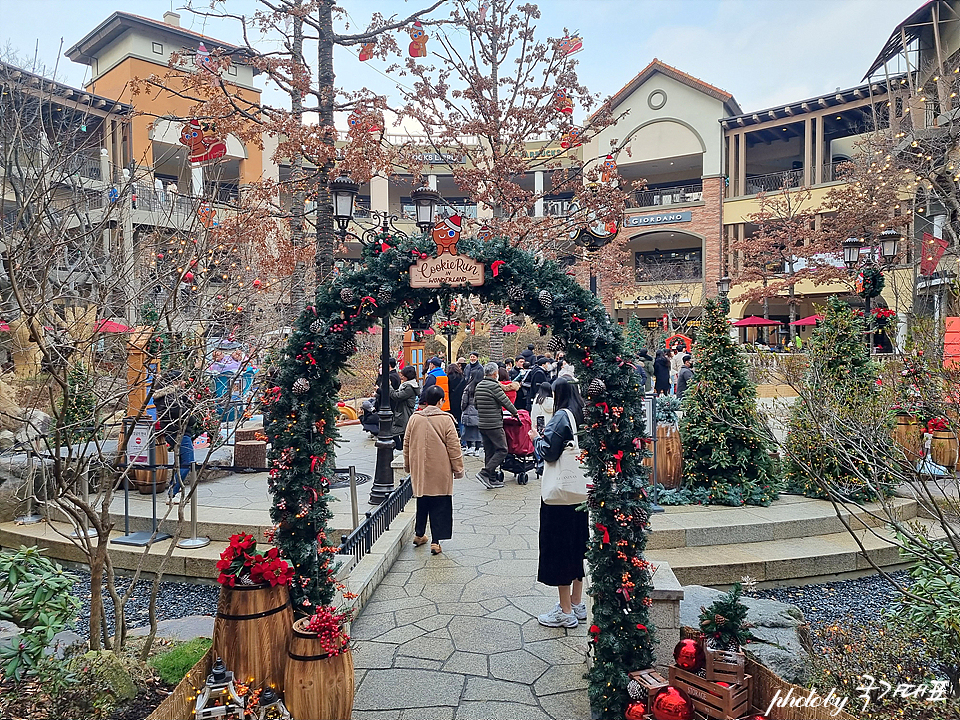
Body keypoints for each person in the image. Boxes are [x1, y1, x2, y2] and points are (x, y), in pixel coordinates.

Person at [529, 377, 588, 627]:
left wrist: (535, 438)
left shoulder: (562, 416)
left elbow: (549, 451)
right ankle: (576, 602)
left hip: (559, 497)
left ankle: (564, 611)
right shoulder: (584, 414)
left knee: (559, 548)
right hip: (579, 492)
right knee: (577, 545)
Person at [404, 385, 464, 556]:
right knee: (439, 504)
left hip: (420, 467)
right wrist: (458, 468)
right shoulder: (446, 419)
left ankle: (419, 534)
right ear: (440, 401)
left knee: (422, 501)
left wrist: (408, 465)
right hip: (441, 468)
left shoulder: (414, 418)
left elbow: (406, 443)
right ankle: (436, 542)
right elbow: (454, 446)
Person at [474, 362, 519, 489]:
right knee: (502, 449)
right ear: (495, 374)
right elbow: (506, 402)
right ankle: (485, 472)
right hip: (494, 424)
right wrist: (515, 413)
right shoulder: (494, 386)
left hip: (482, 424)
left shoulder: (479, 385)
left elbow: (476, 404)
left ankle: (491, 479)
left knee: (490, 451)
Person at [390, 365, 420, 450]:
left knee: (399, 433)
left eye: (403, 375)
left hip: (404, 413)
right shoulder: (407, 385)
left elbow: (397, 396)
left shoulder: (409, 387)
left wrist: (389, 387)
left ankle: (401, 450)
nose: (401, 377)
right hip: (402, 413)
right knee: (401, 434)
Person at [460, 377, 483, 456]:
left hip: (469, 411)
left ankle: (469, 448)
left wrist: (463, 409)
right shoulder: (482, 387)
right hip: (479, 411)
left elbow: (464, 401)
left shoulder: (468, 387)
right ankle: (477, 449)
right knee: (478, 432)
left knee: (468, 431)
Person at [446, 362, 466, 434]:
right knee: (461, 422)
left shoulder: (447, 379)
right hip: (461, 401)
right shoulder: (463, 378)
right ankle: (464, 441)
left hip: (451, 402)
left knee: (451, 421)